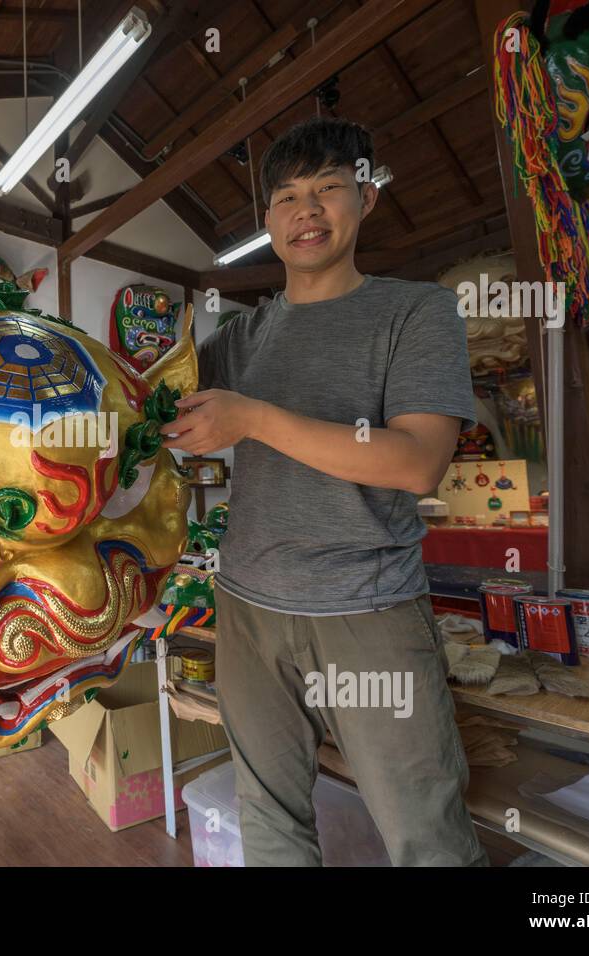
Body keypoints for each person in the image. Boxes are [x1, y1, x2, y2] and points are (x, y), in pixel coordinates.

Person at [163, 116, 484, 866]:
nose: (307, 210)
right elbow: (151, 409)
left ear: (366, 198)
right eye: (288, 197)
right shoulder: (240, 339)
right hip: (247, 607)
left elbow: (415, 462)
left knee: (424, 829)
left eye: (330, 189)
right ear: (268, 221)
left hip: (367, 610)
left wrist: (253, 417)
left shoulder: (416, 311)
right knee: (268, 823)